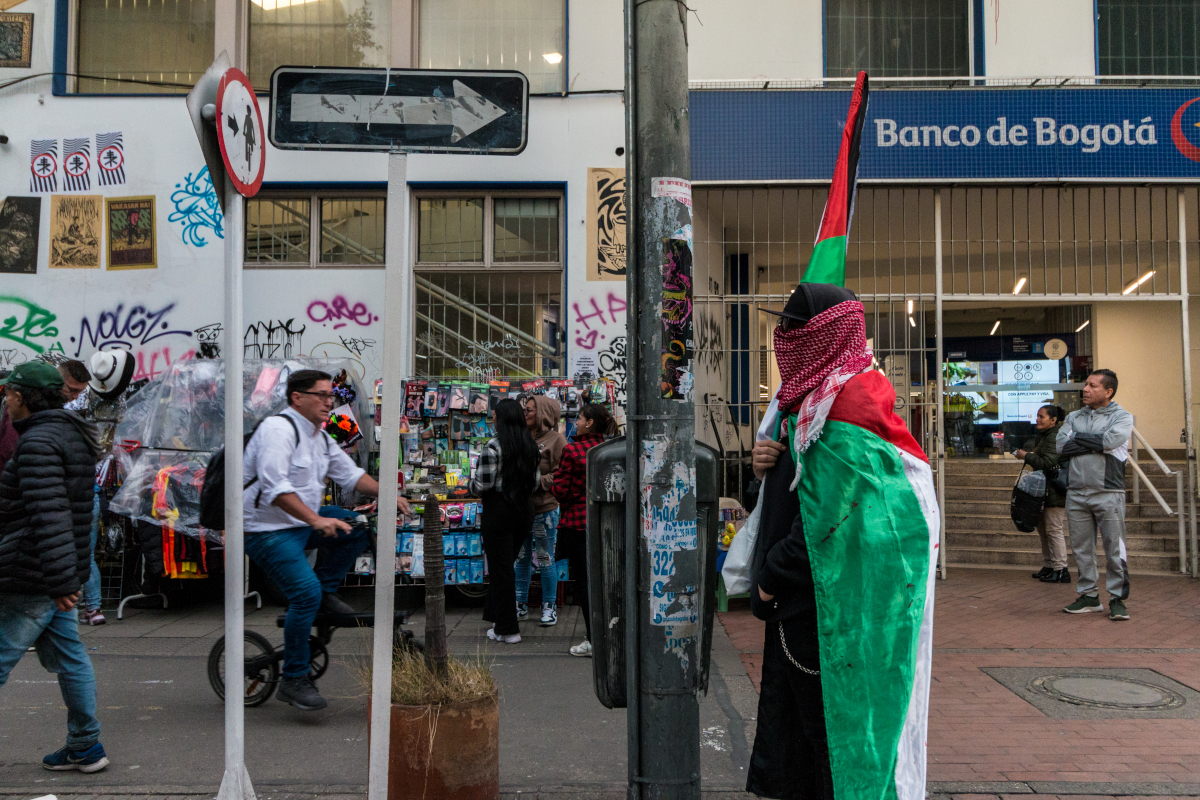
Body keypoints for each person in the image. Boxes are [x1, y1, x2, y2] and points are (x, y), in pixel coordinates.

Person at [745, 283, 938, 800]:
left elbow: (827, 520)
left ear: (825, 335)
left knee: (828, 737)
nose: (784, 337)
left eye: (794, 328)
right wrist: (764, 467)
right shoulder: (812, 398)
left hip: (822, 610)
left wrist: (769, 580)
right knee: (804, 743)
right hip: (809, 604)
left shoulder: (846, 405)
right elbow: (791, 495)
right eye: (781, 327)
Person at [243, 369, 412, 711]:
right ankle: (293, 677)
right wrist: (318, 520)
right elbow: (276, 491)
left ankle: (326, 592)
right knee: (303, 594)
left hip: (300, 522)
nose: (328, 401)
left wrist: (388, 493)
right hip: (266, 531)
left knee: (358, 526)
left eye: (329, 395)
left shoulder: (319, 436)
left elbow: (350, 476)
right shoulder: (278, 431)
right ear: (297, 398)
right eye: (320, 395)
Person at [0, 362, 109, 772]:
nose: (6, 401)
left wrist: (62, 581)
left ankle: (86, 745)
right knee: (70, 657)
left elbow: (52, 517)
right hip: (56, 574)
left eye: (9, 394)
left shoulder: (38, 443)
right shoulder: (69, 433)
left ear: (24, 397)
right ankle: (85, 746)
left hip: (34, 576)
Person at [1057, 369, 1134, 620]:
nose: (1085, 390)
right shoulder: (1074, 416)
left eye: (1092, 386)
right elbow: (1061, 445)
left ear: (1108, 391)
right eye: (1085, 385)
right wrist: (1095, 441)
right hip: (1076, 493)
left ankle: (1117, 599)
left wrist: (1077, 439)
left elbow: (1112, 441)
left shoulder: (1122, 417)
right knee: (1081, 549)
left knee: (1115, 548)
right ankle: (1089, 596)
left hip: (1108, 492)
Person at [470, 398, 539, 644]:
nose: (492, 419)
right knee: (504, 566)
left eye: (494, 415)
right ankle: (498, 622)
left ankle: (509, 629)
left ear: (501, 418)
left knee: (501, 570)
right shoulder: (530, 445)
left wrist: (470, 484)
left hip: (498, 510)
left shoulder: (493, 446)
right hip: (524, 510)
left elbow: (481, 485)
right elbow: (537, 483)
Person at [551, 403, 616, 657]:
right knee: (604, 581)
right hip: (605, 523)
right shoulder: (608, 450)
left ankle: (592, 639)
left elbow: (560, 490)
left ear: (589, 423)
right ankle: (608, 633)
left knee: (584, 585)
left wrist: (554, 480)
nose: (576, 422)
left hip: (577, 525)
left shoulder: (573, 450)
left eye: (579, 418)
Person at [515, 395, 566, 626]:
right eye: (525, 410)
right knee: (522, 558)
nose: (525, 413)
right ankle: (519, 604)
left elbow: (561, 473)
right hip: (521, 508)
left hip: (544, 509)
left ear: (543, 414)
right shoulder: (522, 437)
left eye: (530, 410)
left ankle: (549, 606)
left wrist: (536, 481)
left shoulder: (557, 441)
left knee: (545, 558)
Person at [1014, 405, 1069, 584]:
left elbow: (1049, 462)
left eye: (1041, 416)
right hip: (1044, 492)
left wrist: (1026, 456)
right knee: (1044, 531)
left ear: (1053, 420)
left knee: (1053, 530)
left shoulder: (1054, 437)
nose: (1037, 419)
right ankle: (1050, 565)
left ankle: (1061, 569)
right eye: (1037, 416)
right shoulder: (1046, 436)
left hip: (1055, 491)